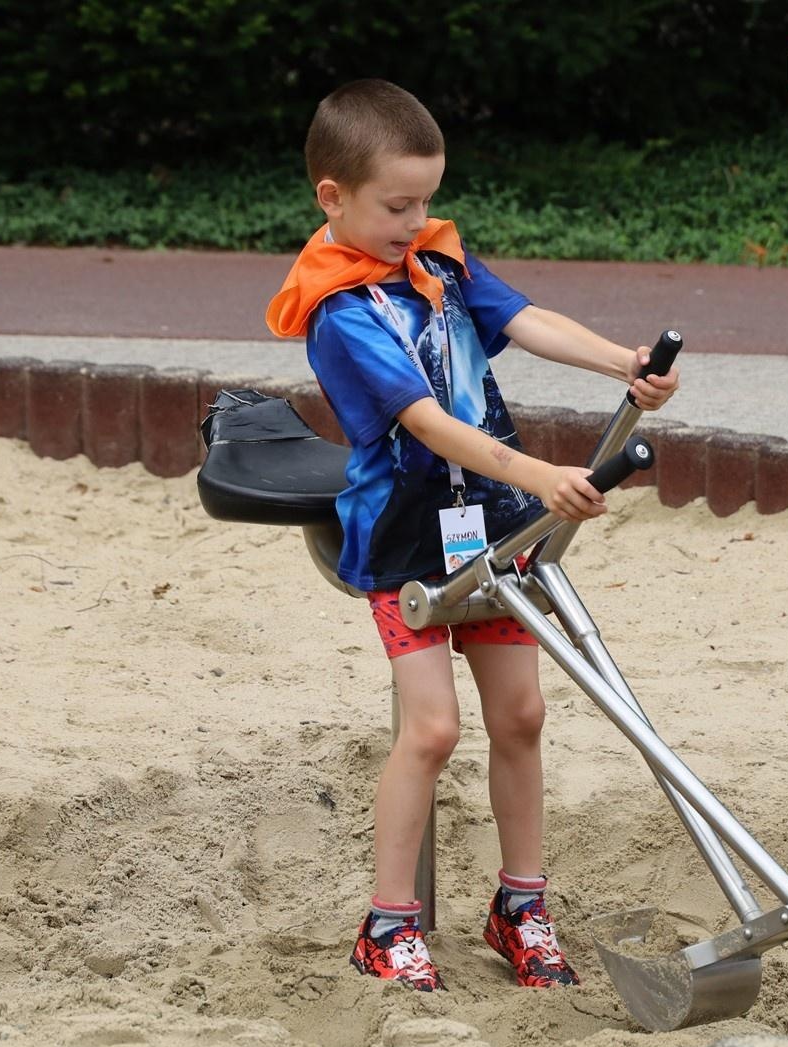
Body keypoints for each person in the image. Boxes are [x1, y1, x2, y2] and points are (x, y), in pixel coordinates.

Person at [265, 79, 679, 992]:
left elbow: (523, 319)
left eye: (427, 200)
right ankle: (388, 924)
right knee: (433, 727)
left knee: (523, 715)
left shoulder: (441, 267)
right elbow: (424, 421)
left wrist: (624, 362)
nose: (417, 220)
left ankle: (520, 907)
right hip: (405, 544)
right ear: (333, 197)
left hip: (489, 533)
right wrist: (540, 476)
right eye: (397, 205)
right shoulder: (339, 314)